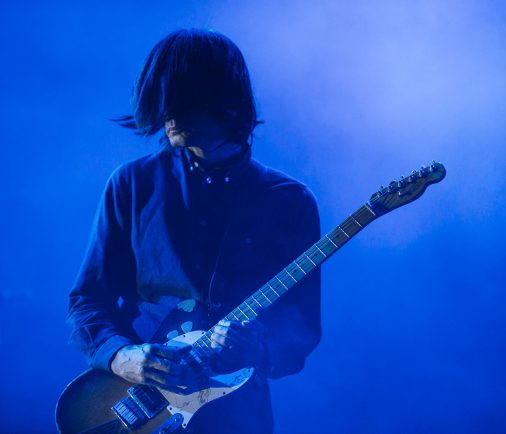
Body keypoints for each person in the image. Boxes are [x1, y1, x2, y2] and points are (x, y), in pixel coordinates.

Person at [67, 28, 321, 433]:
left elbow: (301, 331)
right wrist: (122, 357)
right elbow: (87, 299)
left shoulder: (289, 202)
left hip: (236, 418)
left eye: (179, 99)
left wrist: (257, 350)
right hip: (135, 408)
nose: (167, 114)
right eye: (161, 100)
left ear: (223, 100)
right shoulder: (132, 184)